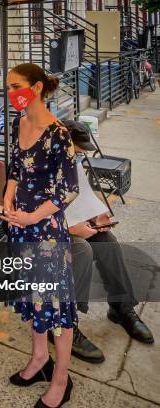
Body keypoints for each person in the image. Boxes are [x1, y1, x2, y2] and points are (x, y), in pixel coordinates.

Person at [2, 63, 79, 408]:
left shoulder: (58, 133)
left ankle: (61, 378)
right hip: (20, 229)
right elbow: (16, 169)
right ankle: (39, 358)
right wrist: (7, 197)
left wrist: (33, 215)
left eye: (15, 86)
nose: (10, 92)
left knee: (57, 309)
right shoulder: (20, 122)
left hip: (46, 232)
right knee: (34, 302)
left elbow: (69, 191)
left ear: (34, 88)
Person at [53, 122, 154, 363]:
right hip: (51, 229)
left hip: (74, 223)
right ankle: (63, 323)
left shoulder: (73, 163)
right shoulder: (44, 165)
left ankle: (121, 306)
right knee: (82, 250)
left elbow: (85, 197)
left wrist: (98, 215)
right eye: (77, 151)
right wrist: (70, 228)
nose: (79, 157)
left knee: (107, 240)